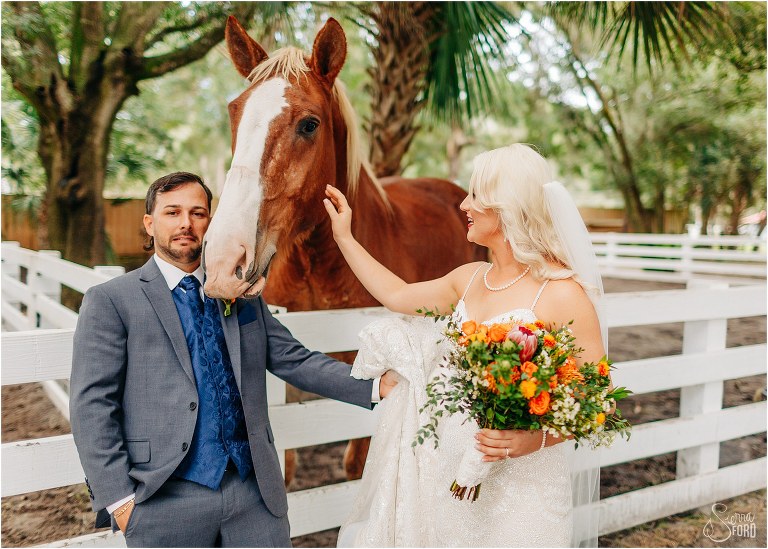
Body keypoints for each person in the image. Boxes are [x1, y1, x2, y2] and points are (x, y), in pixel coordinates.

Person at [70, 172, 396, 548]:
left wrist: (374, 385)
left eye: (198, 213)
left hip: (252, 493)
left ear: (212, 221)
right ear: (149, 222)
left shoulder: (241, 291)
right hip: (162, 497)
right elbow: (92, 405)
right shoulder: (111, 301)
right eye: (172, 212)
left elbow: (293, 359)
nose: (185, 224)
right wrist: (120, 502)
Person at [323, 144, 607, 547]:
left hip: (525, 492)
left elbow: (598, 399)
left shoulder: (562, 294)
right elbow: (397, 294)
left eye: (475, 195)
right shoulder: (470, 278)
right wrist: (344, 237)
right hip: (451, 481)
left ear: (505, 206)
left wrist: (533, 440)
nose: (463, 204)